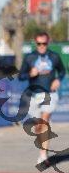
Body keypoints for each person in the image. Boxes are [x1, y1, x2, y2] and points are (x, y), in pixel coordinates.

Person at [19, 31, 66, 164]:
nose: (42, 46)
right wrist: (30, 74)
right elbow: (21, 76)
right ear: (35, 43)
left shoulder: (54, 56)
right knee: (38, 126)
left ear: (48, 42)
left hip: (50, 94)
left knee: (44, 121)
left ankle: (43, 155)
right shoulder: (29, 57)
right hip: (34, 95)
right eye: (39, 43)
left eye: (44, 43)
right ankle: (42, 149)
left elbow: (62, 71)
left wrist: (58, 80)